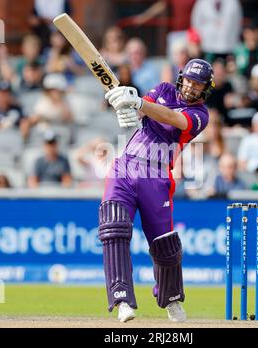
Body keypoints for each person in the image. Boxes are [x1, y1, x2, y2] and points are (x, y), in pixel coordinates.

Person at [100, 58, 215, 322]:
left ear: (205, 88)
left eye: (197, 84)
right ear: (181, 77)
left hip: (157, 173)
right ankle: (122, 300)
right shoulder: (163, 89)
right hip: (126, 166)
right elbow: (142, 112)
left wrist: (140, 103)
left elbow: (173, 118)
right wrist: (127, 106)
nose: (191, 86)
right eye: (188, 80)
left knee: (164, 244)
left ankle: (171, 298)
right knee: (113, 227)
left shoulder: (201, 115)